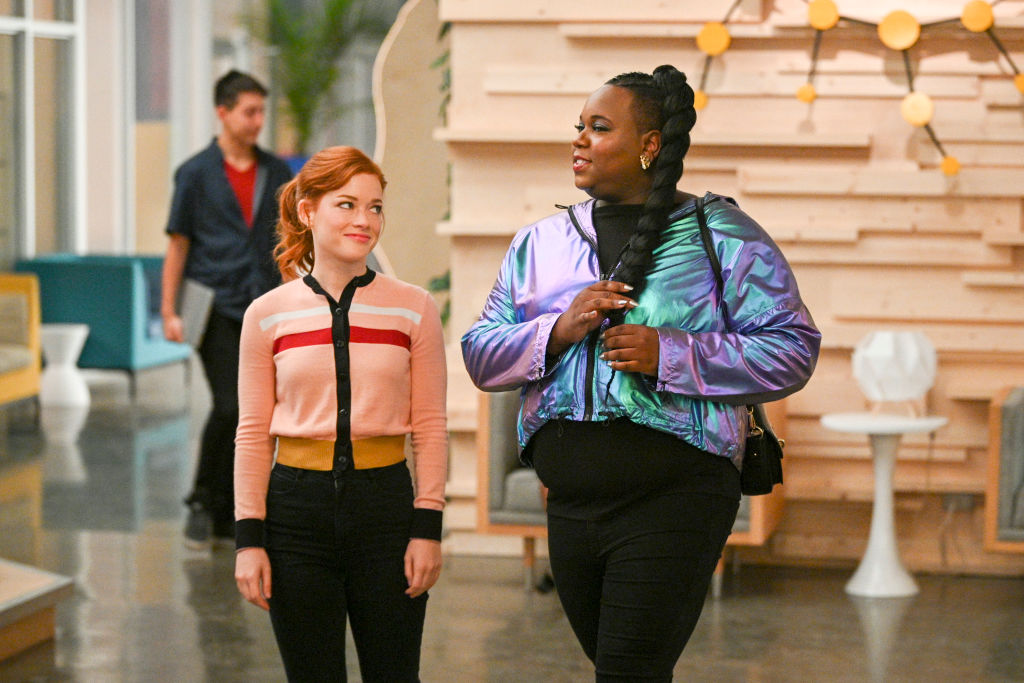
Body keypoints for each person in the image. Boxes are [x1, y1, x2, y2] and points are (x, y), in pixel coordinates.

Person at [461, 65, 821, 681]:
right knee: (625, 670)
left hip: (678, 498)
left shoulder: (722, 233)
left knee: (626, 670)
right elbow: (479, 354)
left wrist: (672, 355)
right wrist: (557, 329)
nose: (578, 140)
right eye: (579, 126)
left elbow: (792, 348)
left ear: (650, 145)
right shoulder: (539, 244)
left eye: (599, 128)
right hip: (570, 505)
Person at [232, 146, 447, 682]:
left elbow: (430, 425)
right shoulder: (266, 315)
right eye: (347, 204)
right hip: (293, 514)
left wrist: (428, 527)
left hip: (386, 511)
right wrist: (249, 540)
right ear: (308, 210)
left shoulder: (413, 308)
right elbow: (253, 434)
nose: (364, 220)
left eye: (375, 208)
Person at [161, 69, 293, 550]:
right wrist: (168, 310)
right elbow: (178, 244)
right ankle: (204, 494)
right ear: (223, 112)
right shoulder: (194, 173)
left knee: (255, 410)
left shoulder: (277, 172)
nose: (258, 121)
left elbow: (286, 242)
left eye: (262, 111)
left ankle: (226, 502)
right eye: (249, 111)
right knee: (230, 405)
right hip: (212, 305)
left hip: (263, 305)